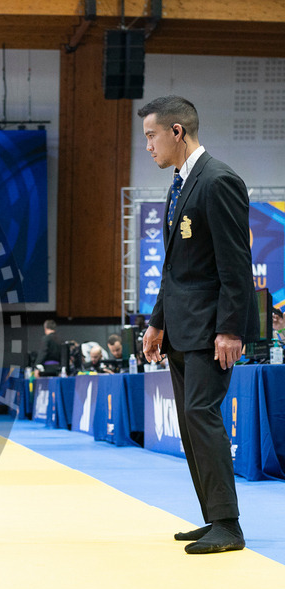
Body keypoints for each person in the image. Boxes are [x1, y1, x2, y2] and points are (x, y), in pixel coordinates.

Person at [139, 95, 258, 554]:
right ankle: (214, 518)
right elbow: (175, 269)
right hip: (182, 329)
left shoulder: (219, 180)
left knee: (202, 416)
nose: (147, 145)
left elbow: (235, 263)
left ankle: (229, 524)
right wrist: (156, 324)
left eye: (151, 135)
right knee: (191, 424)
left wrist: (231, 329)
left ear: (176, 132)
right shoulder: (179, 184)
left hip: (211, 330)